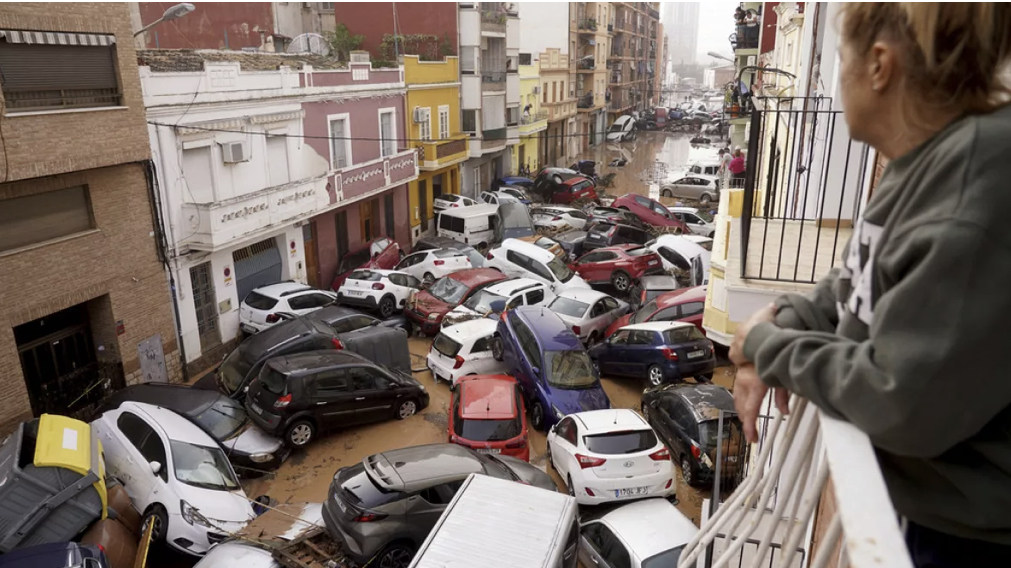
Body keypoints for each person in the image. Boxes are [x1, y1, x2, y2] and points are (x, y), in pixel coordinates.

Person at [727, 4, 1011, 567]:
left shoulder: (972, 185)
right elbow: (853, 281)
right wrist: (785, 318)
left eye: (841, 59)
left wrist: (765, 345)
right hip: (931, 515)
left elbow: (901, 401)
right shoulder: (923, 161)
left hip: (966, 541)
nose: (838, 79)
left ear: (879, 65)